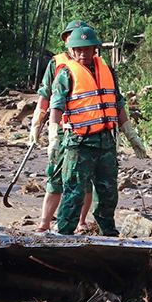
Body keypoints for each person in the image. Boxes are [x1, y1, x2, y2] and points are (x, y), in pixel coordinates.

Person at [49, 25, 132, 236]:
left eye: (87, 49)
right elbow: (56, 105)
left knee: (108, 192)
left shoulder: (107, 70)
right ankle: (64, 235)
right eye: (78, 49)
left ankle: (109, 233)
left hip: (106, 142)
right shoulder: (66, 73)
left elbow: (117, 102)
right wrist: (53, 137)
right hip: (79, 144)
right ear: (71, 50)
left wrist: (131, 134)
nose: (82, 54)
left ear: (94, 48)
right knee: (73, 192)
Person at [33, 20, 93, 233]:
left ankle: (81, 221)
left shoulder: (95, 63)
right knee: (55, 176)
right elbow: (45, 95)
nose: (73, 39)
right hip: (62, 129)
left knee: (84, 181)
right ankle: (44, 223)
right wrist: (38, 122)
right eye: (70, 36)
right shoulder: (56, 64)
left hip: (85, 133)